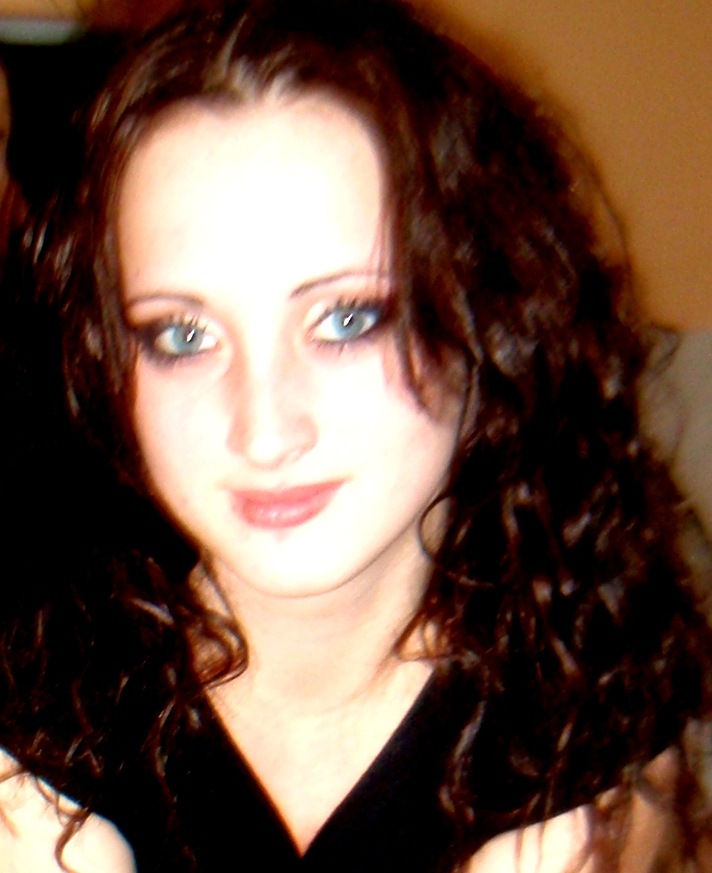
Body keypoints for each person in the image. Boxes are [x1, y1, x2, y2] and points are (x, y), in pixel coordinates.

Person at [7, 0, 712, 870]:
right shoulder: (43, 714)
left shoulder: (583, 722)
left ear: (489, 311)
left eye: (348, 319)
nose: (265, 430)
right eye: (182, 335)